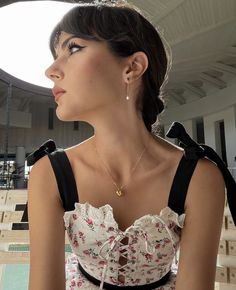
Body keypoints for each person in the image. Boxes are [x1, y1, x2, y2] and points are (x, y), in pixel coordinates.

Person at [27, 1, 229, 290]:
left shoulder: (200, 177)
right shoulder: (49, 172)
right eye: (55, 54)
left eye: (73, 48)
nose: (51, 70)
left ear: (132, 67)